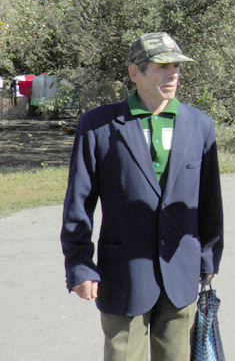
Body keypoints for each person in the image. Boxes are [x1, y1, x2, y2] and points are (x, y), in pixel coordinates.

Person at [61, 32, 224, 361]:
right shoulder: (99, 126)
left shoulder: (199, 125)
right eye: (162, 67)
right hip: (123, 276)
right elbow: (78, 203)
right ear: (135, 73)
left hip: (181, 275)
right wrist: (79, 265)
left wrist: (208, 258)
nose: (172, 74)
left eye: (176, 66)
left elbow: (209, 202)